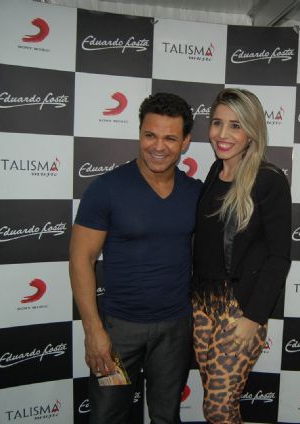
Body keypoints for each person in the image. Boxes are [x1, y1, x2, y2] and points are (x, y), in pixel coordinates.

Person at [69, 92, 202, 423]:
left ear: (185, 142)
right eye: (150, 135)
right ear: (140, 133)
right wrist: (93, 332)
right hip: (118, 334)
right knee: (107, 415)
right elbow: (81, 259)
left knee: (166, 416)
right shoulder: (106, 189)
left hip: (175, 331)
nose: (158, 146)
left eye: (170, 138)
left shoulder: (196, 192)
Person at [191, 88, 291, 423]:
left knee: (218, 408)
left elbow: (280, 256)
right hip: (202, 303)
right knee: (220, 402)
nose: (222, 134)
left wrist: (253, 317)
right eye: (217, 123)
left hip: (239, 308)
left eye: (235, 125)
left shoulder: (268, 180)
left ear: (252, 130)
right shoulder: (214, 173)